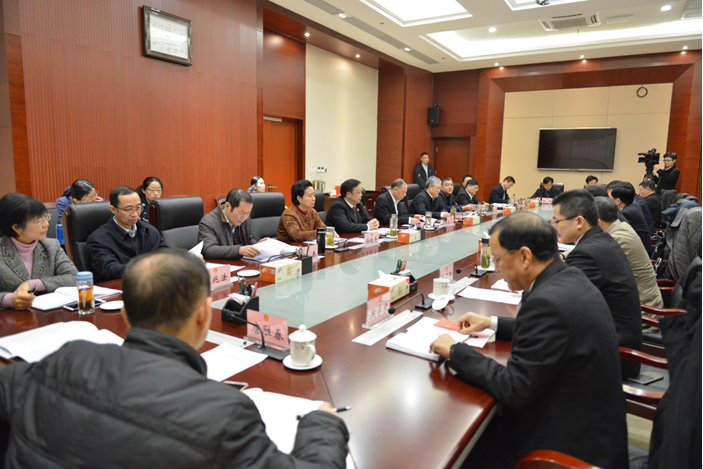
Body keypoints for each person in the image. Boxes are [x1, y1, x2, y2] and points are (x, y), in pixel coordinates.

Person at [0, 250, 350, 467]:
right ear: (204, 313)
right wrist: (323, 422)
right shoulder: (223, 413)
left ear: (125, 315)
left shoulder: (66, 358)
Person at [429, 212, 628, 469]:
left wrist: (457, 352)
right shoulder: (569, 278)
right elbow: (552, 330)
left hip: (564, 449)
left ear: (524, 256)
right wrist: (491, 322)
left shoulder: (545, 303)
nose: (497, 269)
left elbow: (514, 388)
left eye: (498, 260)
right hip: (593, 427)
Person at [552, 190, 642, 379]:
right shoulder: (601, 239)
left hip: (612, 353)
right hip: (615, 339)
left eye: (557, 221)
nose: (554, 226)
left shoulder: (587, 253)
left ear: (579, 221)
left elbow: (559, 307)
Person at [0, 193, 78, 310]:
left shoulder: (51, 246)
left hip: (49, 313)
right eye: (39, 221)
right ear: (16, 227)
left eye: (46, 218)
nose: (46, 224)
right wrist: (10, 300)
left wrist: (34, 284)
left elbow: (73, 277)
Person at [87, 186, 168, 282]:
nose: (135, 214)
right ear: (113, 209)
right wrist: (146, 268)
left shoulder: (149, 230)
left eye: (138, 208)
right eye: (128, 209)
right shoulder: (98, 239)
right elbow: (110, 270)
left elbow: (166, 255)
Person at [595, 197, 663, 308]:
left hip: (643, 308)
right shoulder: (619, 226)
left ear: (598, 222)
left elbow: (592, 264)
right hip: (634, 300)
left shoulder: (618, 238)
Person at [198, 189, 264, 260]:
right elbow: (209, 250)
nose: (244, 217)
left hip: (241, 263)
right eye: (241, 212)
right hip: (221, 264)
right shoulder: (208, 222)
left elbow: (249, 240)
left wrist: (258, 245)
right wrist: (239, 250)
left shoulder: (246, 219)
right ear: (227, 206)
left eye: (248, 213)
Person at [608, 182, 653, 255]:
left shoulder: (625, 214)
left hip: (639, 253)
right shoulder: (632, 205)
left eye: (609, 198)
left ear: (618, 201)